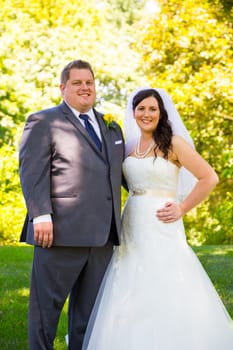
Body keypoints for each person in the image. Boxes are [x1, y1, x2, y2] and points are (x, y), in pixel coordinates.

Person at [82, 88, 233, 350]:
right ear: (133, 112)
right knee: (128, 277)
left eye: (152, 109)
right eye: (141, 108)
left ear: (161, 113)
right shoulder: (128, 146)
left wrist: (183, 208)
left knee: (165, 277)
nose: (146, 114)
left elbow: (209, 177)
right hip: (132, 220)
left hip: (163, 223)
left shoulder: (173, 143)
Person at [19, 59, 125, 350]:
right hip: (59, 232)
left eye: (89, 82)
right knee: (46, 314)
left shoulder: (111, 126)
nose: (84, 88)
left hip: (103, 237)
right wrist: (41, 214)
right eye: (77, 83)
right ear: (63, 87)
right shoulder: (44, 121)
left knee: (89, 318)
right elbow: (31, 171)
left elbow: (124, 173)